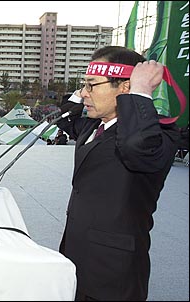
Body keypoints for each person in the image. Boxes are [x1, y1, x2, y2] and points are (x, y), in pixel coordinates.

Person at [56, 46, 179, 301]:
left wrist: (141, 91)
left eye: (92, 85)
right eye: (84, 85)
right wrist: (83, 92)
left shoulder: (158, 134)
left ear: (125, 88)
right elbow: (66, 117)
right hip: (76, 256)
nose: (84, 93)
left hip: (113, 272)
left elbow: (136, 147)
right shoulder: (94, 124)